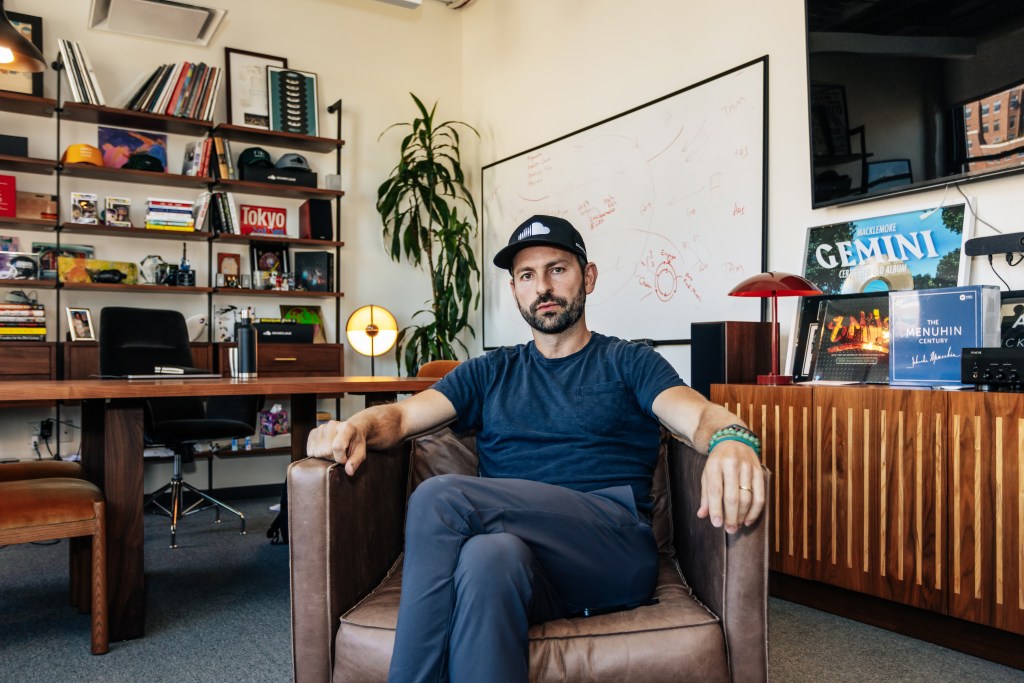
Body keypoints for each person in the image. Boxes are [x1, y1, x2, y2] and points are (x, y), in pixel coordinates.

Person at [306, 214, 765, 683]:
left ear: (588, 277)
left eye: (557, 269)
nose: (542, 286)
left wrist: (732, 439)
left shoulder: (629, 362)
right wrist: (356, 426)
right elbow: (402, 417)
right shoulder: (490, 372)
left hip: (610, 547)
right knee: (488, 560)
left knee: (440, 498)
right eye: (527, 275)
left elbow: (701, 415)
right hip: (526, 564)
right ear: (514, 291)